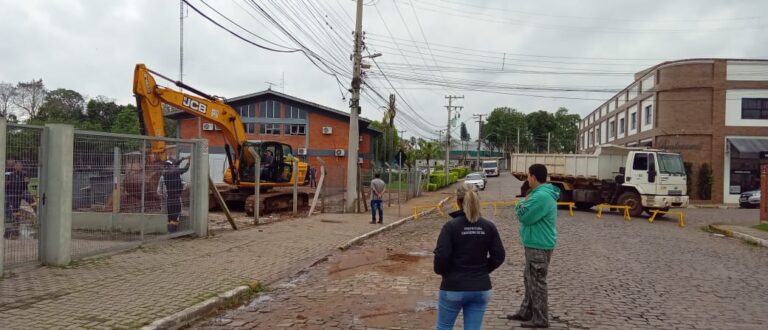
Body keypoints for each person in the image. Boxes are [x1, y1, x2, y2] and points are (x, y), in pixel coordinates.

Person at [433, 183, 506, 330]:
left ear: (458, 202)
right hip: (481, 287)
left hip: (453, 286)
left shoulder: (451, 227)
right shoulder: (488, 226)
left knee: (444, 327)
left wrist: (444, 272)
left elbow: (442, 256)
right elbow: (499, 256)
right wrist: (483, 270)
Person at [507, 164, 559, 328]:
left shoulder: (540, 196)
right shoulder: (539, 194)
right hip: (535, 243)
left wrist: (519, 204)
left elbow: (524, 216)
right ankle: (526, 311)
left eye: (528, 176)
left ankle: (540, 319)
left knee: (537, 281)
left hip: (539, 244)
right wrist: (524, 202)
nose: (527, 179)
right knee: (529, 278)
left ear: (534, 177)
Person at [158, 156, 191, 233]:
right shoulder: (175, 171)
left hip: (169, 198)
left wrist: (182, 159)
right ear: (172, 165)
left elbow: (174, 164)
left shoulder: (165, 172)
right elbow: (185, 169)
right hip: (176, 198)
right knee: (176, 214)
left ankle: (170, 232)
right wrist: (188, 163)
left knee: (170, 216)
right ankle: (173, 232)